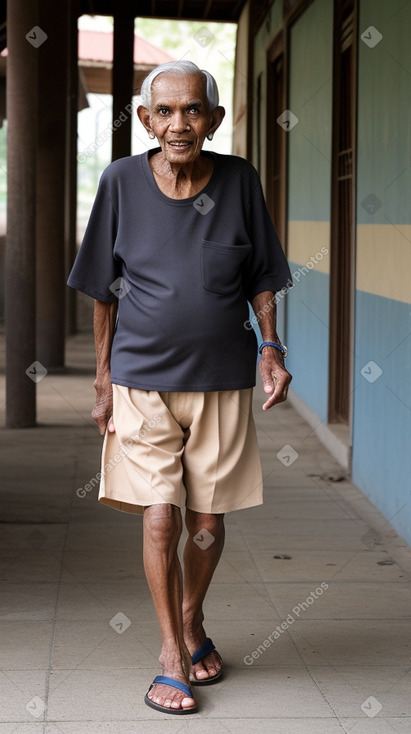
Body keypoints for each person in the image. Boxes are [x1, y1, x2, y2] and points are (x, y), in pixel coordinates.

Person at [68, 60, 292, 715]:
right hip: (140, 378)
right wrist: (104, 381)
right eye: (164, 112)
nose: (178, 124)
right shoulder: (118, 183)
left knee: (206, 522)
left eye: (192, 110)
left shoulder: (240, 180)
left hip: (222, 375)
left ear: (213, 120)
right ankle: (171, 652)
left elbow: (262, 275)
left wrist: (272, 349)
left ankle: (192, 619)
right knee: (160, 516)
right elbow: (102, 293)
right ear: (144, 120)